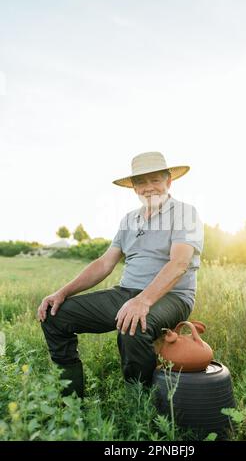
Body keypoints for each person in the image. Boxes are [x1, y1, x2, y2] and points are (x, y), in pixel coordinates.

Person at [37, 151, 204, 399]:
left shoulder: (185, 213)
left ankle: (140, 402)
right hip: (126, 293)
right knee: (55, 316)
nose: (148, 188)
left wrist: (143, 301)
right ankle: (71, 401)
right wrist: (62, 293)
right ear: (134, 188)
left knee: (135, 325)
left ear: (169, 182)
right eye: (141, 182)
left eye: (155, 180)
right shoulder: (129, 219)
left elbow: (179, 264)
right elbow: (105, 264)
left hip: (172, 296)